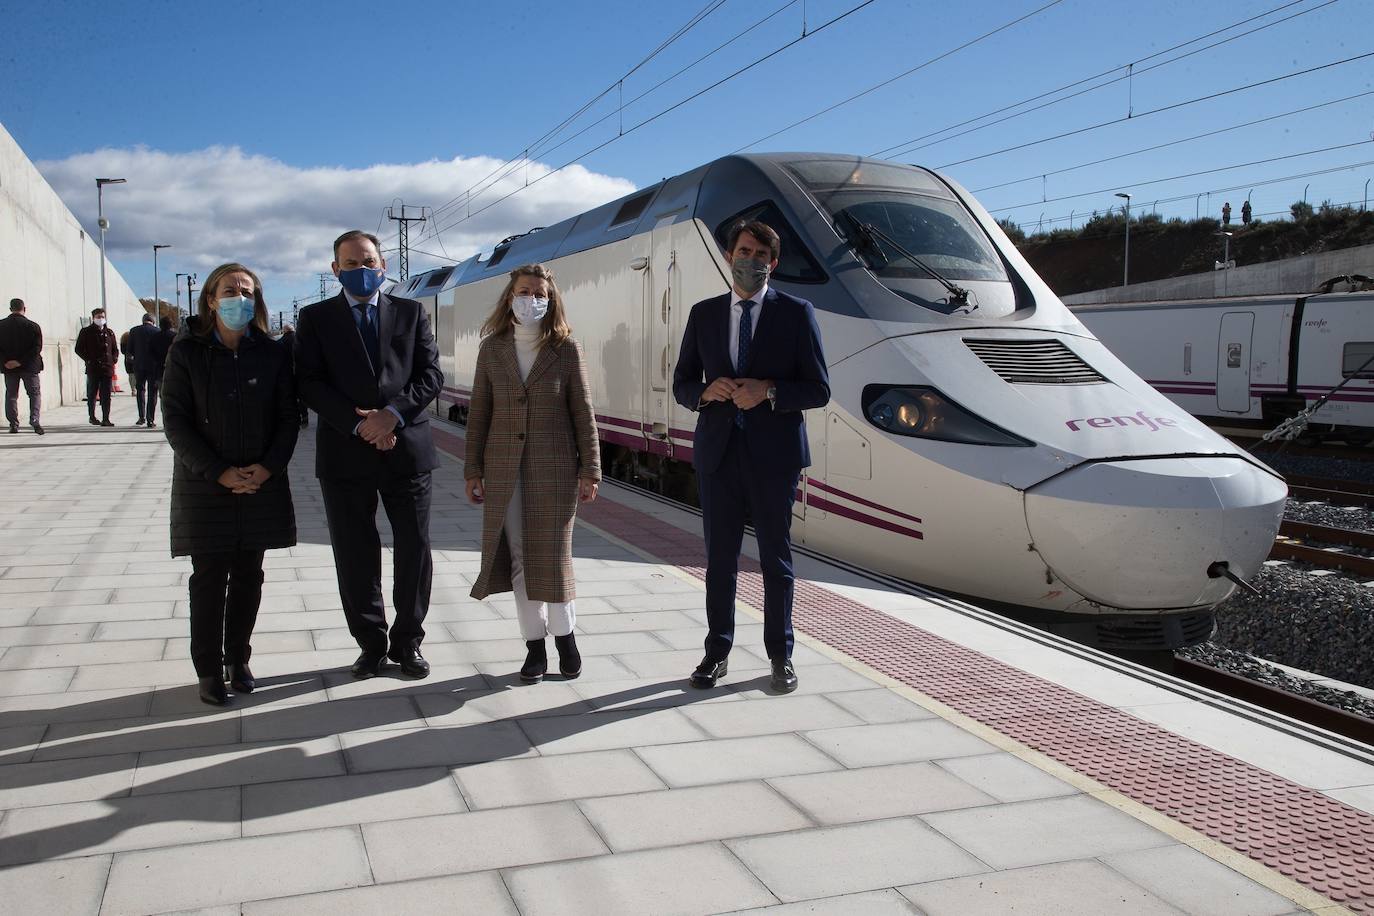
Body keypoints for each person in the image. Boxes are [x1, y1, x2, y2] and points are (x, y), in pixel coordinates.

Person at [672, 220, 830, 694]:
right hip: (718, 456)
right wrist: (705, 391)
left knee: (775, 561)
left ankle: (780, 656)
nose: (752, 261)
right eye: (744, 251)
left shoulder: (797, 314)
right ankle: (716, 653)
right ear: (729, 256)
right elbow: (682, 383)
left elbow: (819, 389)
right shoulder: (704, 314)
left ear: (773, 263)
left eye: (761, 255)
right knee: (719, 562)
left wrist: (770, 391)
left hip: (774, 459)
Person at [296, 230, 443, 680]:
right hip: (346, 451)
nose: (362, 270)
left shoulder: (411, 312)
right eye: (351, 263)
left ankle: (408, 641)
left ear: (383, 265)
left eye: (369, 262)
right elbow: (308, 381)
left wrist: (392, 416)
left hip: (407, 449)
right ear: (335, 269)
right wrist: (361, 423)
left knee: (414, 549)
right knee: (355, 551)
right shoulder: (315, 318)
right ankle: (371, 642)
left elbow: (431, 374)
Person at [160, 263, 299, 706]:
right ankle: (207, 668)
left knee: (248, 576)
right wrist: (217, 471)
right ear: (210, 298)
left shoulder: (272, 353)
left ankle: (238, 658)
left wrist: (268, 467)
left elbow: (287, 417)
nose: (238, 297)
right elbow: (176, 422)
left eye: (247, 290)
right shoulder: (186, 352)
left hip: (259, 483)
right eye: (229, 289)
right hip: (206, 486)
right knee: (208, 578)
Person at [464, 264, 600, 683]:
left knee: (555, 557)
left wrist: (591, 468)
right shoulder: (492, 350)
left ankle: (566, 637)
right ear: (510, 297)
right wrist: (472, 468)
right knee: (520, 558)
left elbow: (582, 412)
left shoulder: (566, 349)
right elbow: (479, 413)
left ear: (551, 299)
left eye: (540, 294)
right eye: (525, 292)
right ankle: (534, 647)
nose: (532, 299)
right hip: (504, 468)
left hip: (556, 469)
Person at [0, 298, 43, 435]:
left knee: (11, 395)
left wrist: (7, 361)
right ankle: (34, 421)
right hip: (29, 367)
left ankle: (13, 424)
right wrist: (21, 361)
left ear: (10, 309)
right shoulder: (33, 326)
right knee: (34, 394)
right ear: (24, 309)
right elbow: (36, 348)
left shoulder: (1, 325)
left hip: (9, 367)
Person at [74, 307, 119, 426]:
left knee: (106, 395)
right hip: (93, 367)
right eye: (98, 317)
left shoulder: (109, 332)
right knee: (92, 393)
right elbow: (78, 349)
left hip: (107, 368)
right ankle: (92, 416)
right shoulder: (86, 331)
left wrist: (114, 359)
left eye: (102, 317)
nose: (101, 319)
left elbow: (114, 349)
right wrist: (88, 359)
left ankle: (106, 418)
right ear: (93, 318)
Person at [127, 313, 164, 427]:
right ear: (153, 321)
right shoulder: (157, 331)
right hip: (154, 366)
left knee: (140, 391)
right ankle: (150, 419)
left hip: (139, 365)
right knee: (152, 393)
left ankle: (141, 417)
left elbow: (129, 350)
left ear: (143, 320)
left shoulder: (133, 331)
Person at [278, 324, 308, 428]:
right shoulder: (301, 339)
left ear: (284, 331)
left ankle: (295, 419)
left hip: (288, 372)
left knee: (290, 396)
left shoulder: (281, 341)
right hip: (301, 372)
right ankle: (305, 418)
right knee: (302, 396)